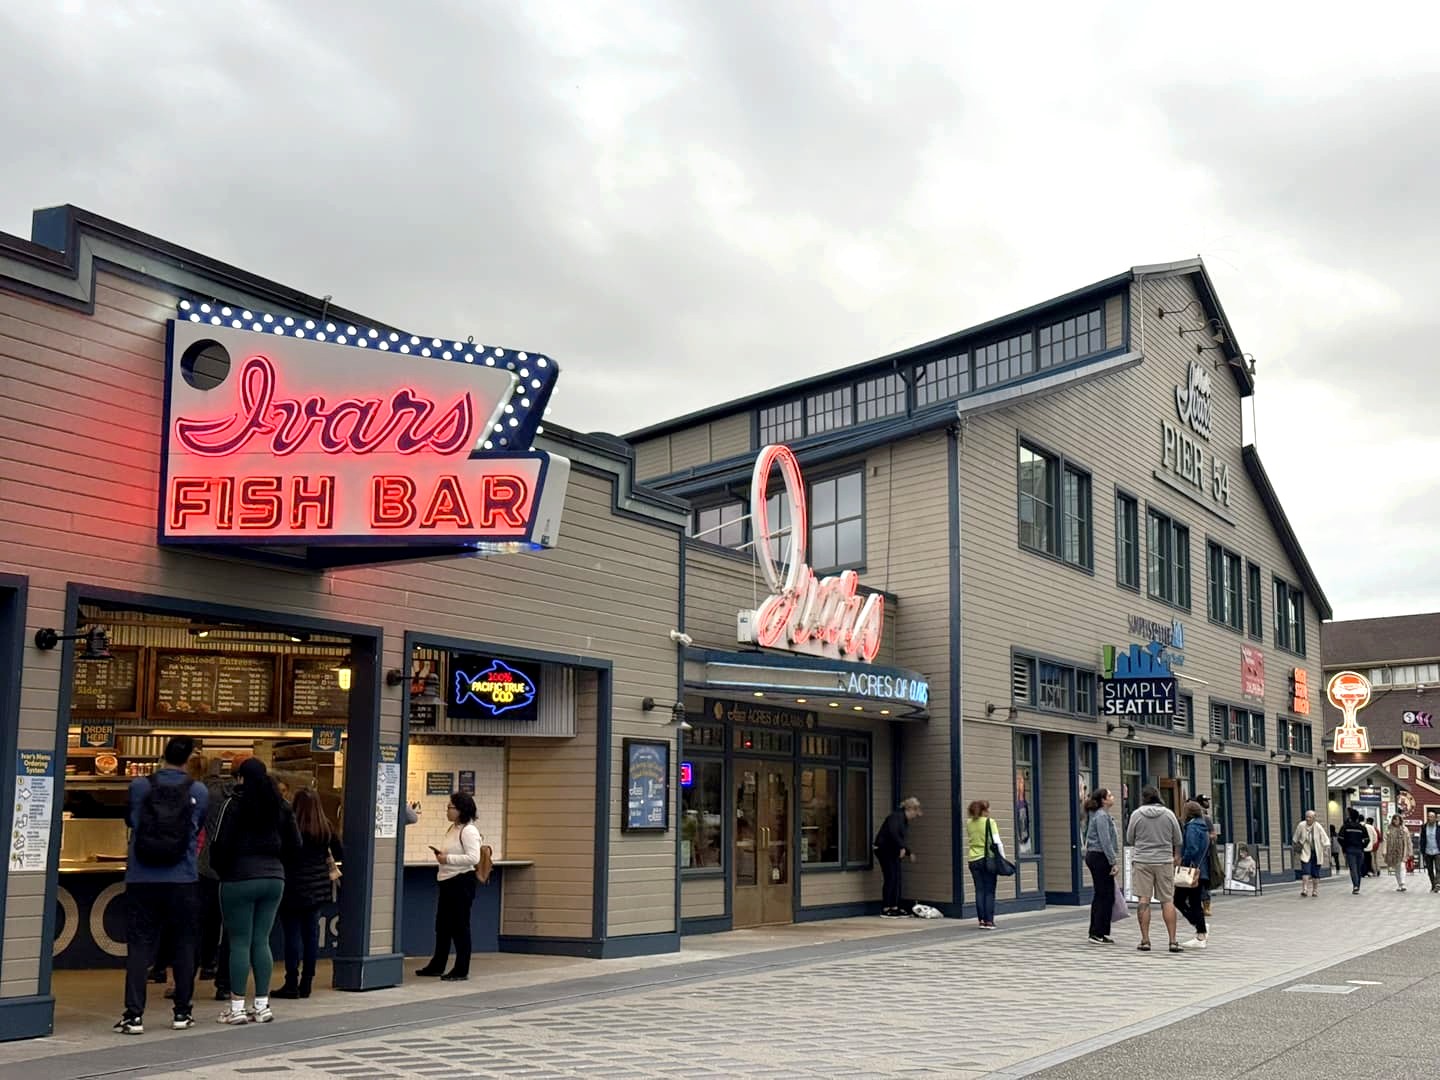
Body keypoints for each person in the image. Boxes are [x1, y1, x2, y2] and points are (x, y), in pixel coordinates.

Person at [114, 736, 209, 1036]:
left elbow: (132, 821)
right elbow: (198, 826)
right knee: (184, 944)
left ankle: (133, 1016)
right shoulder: (199, 790)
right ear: (189, 758)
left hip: (142, 877)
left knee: (139, 946)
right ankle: (182, 1012)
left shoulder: (140, 786)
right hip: (182, 878)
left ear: (162, 755)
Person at [209, 757, 301, 1024]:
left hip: (238, 877)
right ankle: (262, 1005)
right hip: (274, 878)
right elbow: (296, 844)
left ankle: (237, 1007)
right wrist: (278, 864)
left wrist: (222, 870)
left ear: (240, 778)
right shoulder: (282, 806)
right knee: (262, 941)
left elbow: (219, 843)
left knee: (239, 942)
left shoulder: (233, 804)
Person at [275, 788, 343, 999]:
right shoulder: (325, 827)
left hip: (292, 887)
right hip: (317, 889)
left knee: (292, 936)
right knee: (311, 936)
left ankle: (291, 982)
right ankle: (307, 982)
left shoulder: (288, 826)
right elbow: (340, 852)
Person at [416, 791, 482, 981]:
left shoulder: (468, 831)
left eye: (450, 807)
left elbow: (473, 858)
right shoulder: (452, 828)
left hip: (461, 881)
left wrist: (447, 859)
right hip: (447, 880)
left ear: (461, 810)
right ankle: (438, 964)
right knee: (443, 925)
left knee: (460, 925)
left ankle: (461, 968)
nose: (447, 811)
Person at [1125, 786, 1184, 954]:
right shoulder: (1169, 814)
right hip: (1164, 861)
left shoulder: (1136, 814)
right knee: (1167, 900)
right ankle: (1172, 941)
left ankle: (1145, 940)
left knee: (1143, 900)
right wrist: (1176, 855)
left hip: (1142, 861)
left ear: (1143, 798)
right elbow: (1178, 838)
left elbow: (1130, 838)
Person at [874, 796, 922, 919]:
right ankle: (886, 908)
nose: (915, 816)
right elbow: (893, 832)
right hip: (884, 849)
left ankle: (894, 906)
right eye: (915, 813)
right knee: (890, 877)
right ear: (910, 809)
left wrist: (908, 852)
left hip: (892, 850)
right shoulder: (896, 817)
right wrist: (901, 847)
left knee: (896, 878)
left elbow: (900, 838)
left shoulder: (903, 820)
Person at [1083, 788, 1120, 944]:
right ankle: (1096, 932)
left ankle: (1101, 931)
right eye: (1109, 795)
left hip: (1097, 855)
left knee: (1106, 894)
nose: (1112, 797)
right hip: (1099, 856)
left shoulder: (1101, 815)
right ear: (1103, 800)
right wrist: (1113, 861)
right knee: (1103, 894)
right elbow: (1105, 841)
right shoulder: (1101, 816)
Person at [1176, 801, 1210, 950]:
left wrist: (1184, 861)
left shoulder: (1191, 828)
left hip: (1191, 870)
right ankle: (1200, 929)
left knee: (1179, 900)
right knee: (1195, 901)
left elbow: (1192, 848)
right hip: (1201, 870)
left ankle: (1200, 930)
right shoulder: (1203, 827)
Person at [965, 800, 1003, 930]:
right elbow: (997, 841)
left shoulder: (969, 823)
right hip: (987, 859)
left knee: (979, 890)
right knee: (989, 891)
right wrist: (1002, 858)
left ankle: (981, 920)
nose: (990, 810)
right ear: (983, 810)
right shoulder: (990, 822)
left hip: (973, 859)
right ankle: (989, 921)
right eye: (988, 808)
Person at [1292, 810, 1328, 898]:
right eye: (1306, 817)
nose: (1308, 819)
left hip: (1316, 852)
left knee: (1315, 873)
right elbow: (1295, 838)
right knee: (1305, 871)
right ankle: (1304, 889)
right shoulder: (1301, 825)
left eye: (1310, 817)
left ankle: (1315, 890)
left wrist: (1325, 849)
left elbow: (1325, 839)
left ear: (1314, 818)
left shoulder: (1318, 826)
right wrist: (1296, 848)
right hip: (1305, 851)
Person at [1196, 794, 1221, 917]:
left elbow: (1213, 835)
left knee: (1204, 879)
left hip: (1205, 854)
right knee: (1198, 880)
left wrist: (1205, 838)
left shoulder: (1206, 818)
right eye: (1205, 801)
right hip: (1197, 854)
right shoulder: (1193, 818)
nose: (1207, 803)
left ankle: (1206, 905)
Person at [1338, 808, 1370, 894]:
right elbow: (1367, 839)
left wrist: (1344, 847)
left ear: (1350, 817)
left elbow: (1340, 838)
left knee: (1353, 869)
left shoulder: (1345, 827)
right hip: (1360, 850)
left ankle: (1355, 886)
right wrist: (1363, 846)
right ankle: (1357, 885)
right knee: (1358, 869)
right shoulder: (1362, 827)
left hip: (1350, 850)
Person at [1384, 813, 1411, 892]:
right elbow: (1385, 840)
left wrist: (1410, 851)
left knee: (1402, 866)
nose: (1396, 821)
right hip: (1392, 851)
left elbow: (1408, 841)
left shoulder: (1404, 829)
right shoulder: (1389, 829)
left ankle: (1403, 883)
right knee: (1396, 868)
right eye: (1394, 819)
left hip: (1402, 850)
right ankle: (1399, 884)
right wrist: (1384, 850)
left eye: (1397, 820)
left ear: (1400, 820)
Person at [1420, 811, 1440, 893]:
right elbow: (1422, 839)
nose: (1430, 818)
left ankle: (1437, 883)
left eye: (1432, 817)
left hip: (1438, 851)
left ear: (1435, 818)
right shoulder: (1424, 827)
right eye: (1429, 816)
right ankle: (1433, 885)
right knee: (1430, 870)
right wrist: (1422, 850)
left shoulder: (1439, 827)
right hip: (1427, 851)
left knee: (1439, 868)